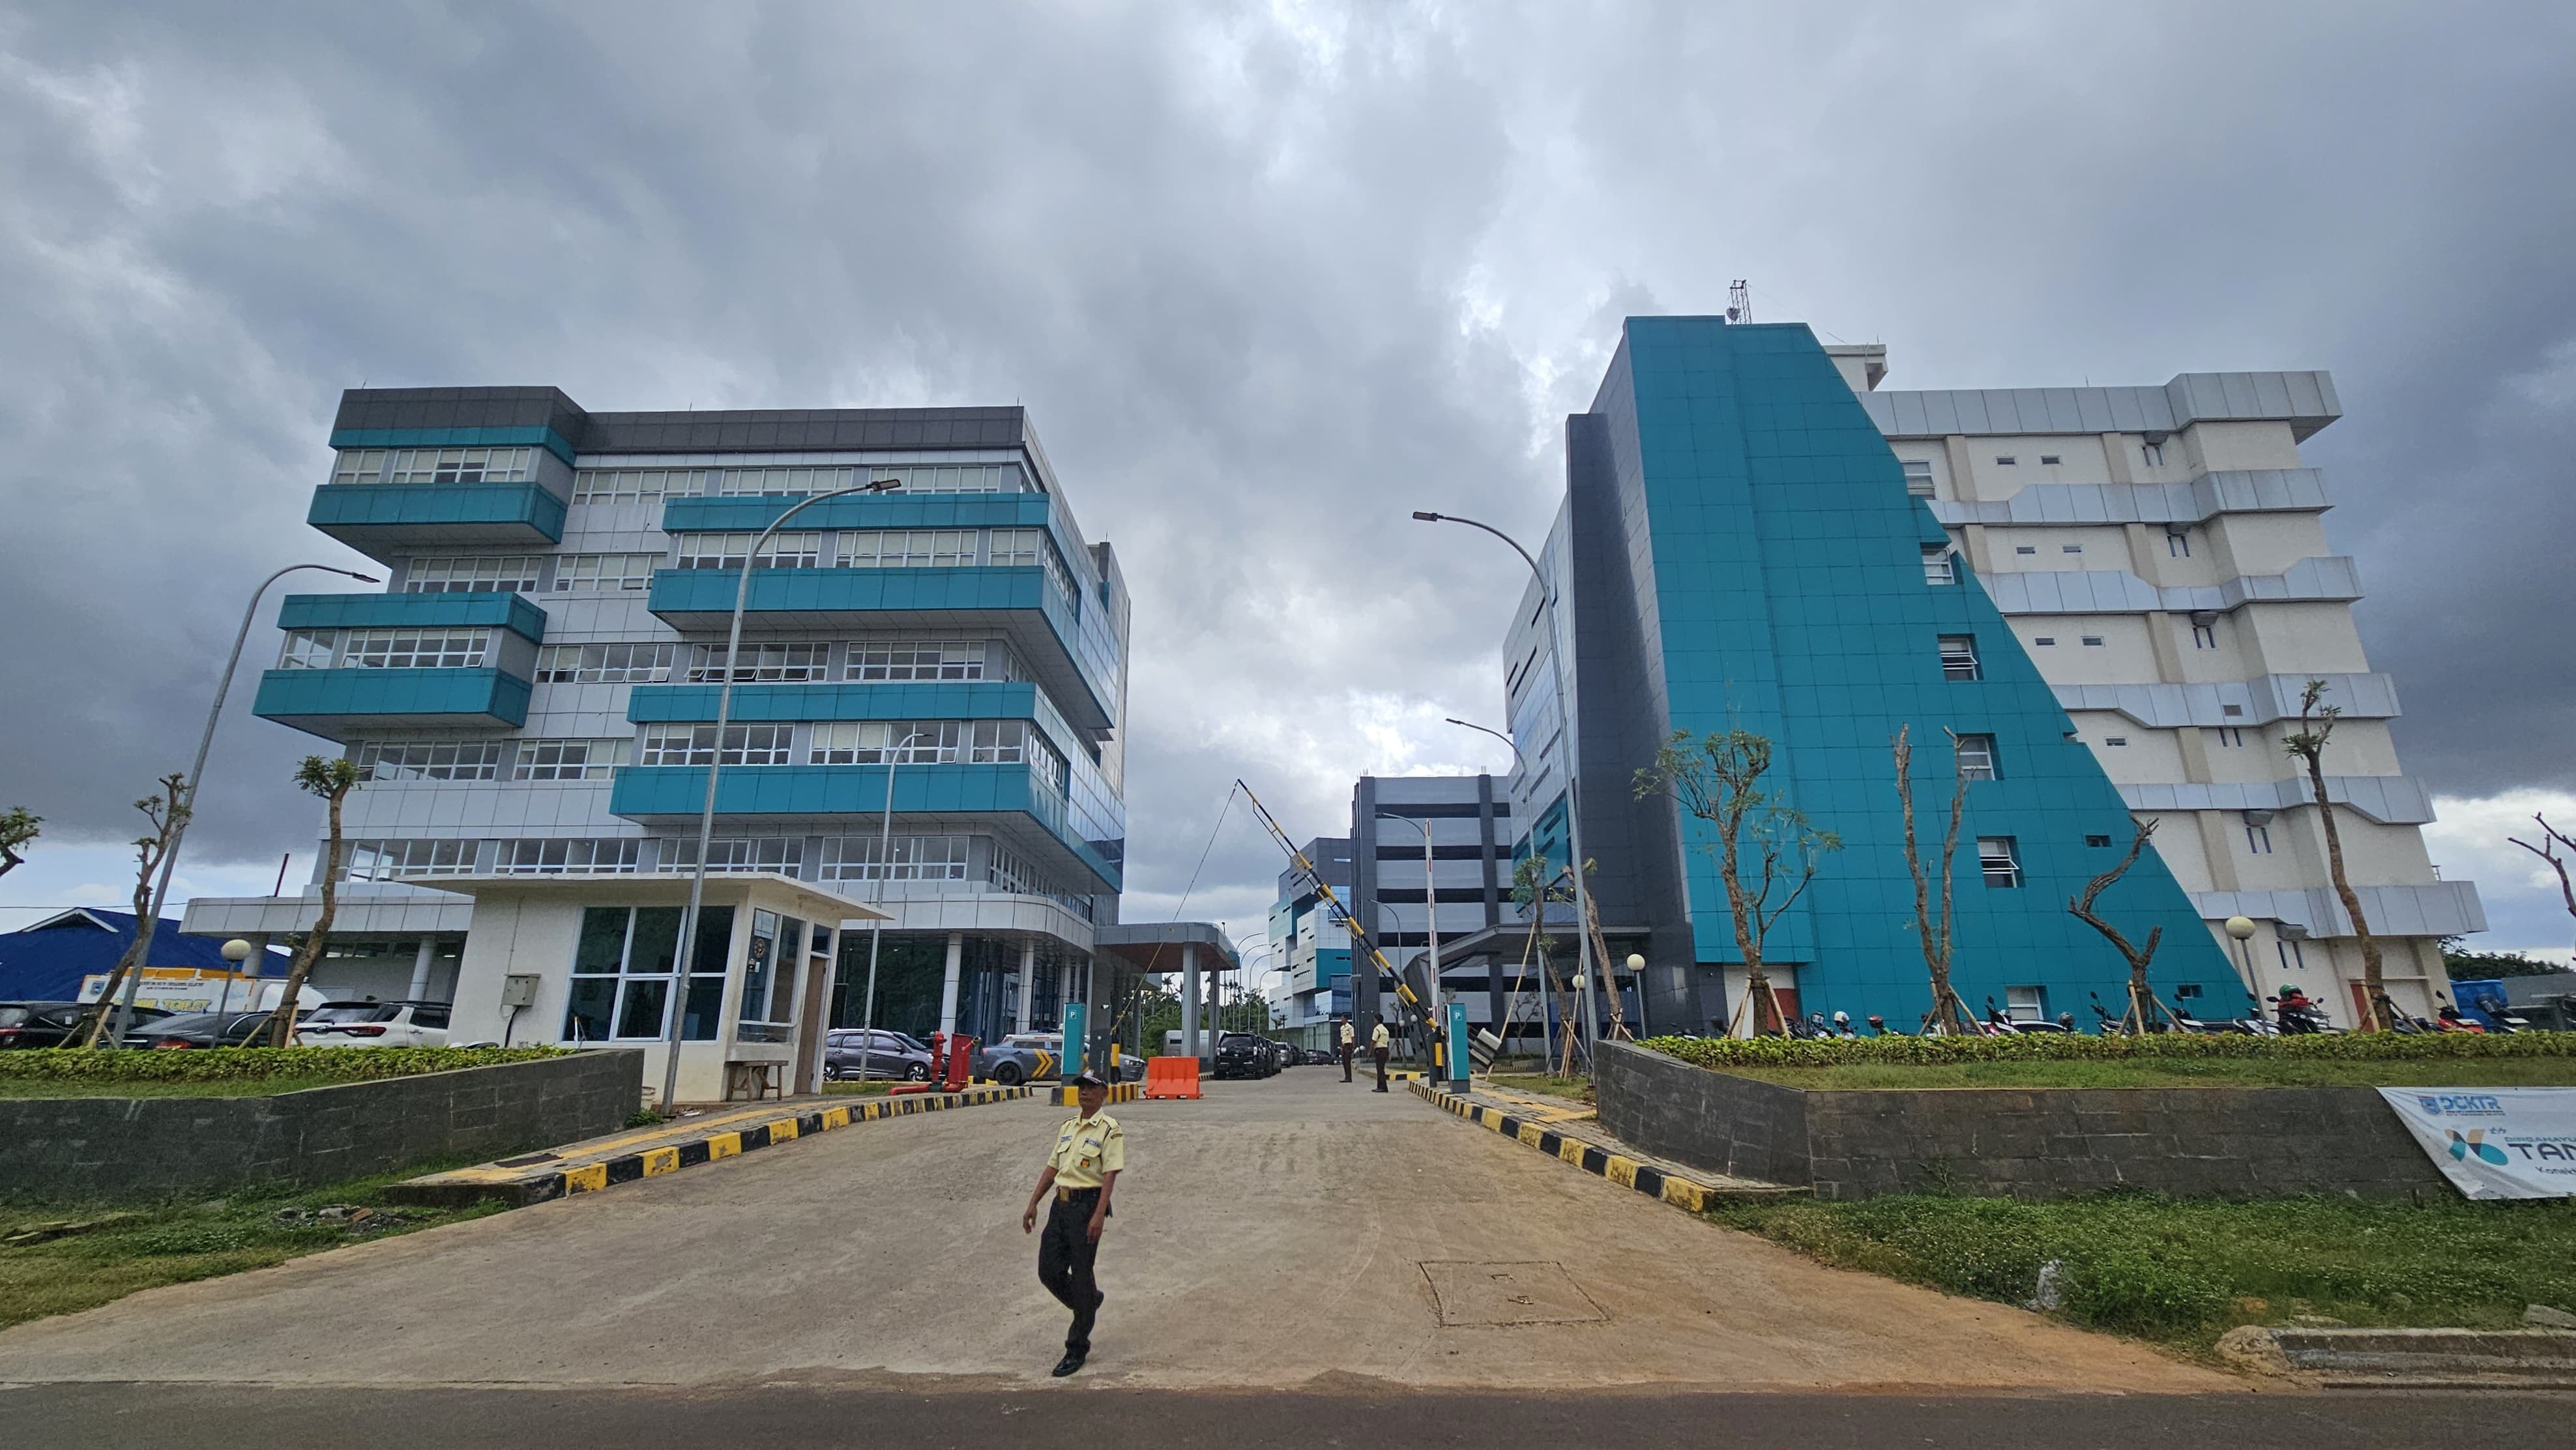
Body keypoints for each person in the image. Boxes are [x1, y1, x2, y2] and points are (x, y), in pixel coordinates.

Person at [1023, 1069, 1123, 1378]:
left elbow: (1110, 1174)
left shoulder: (1109, 1129)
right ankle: (1088, 1303)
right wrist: (1033, 1202)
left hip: (1087, 1207)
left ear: (1103, 1093)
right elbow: (1053, 1166)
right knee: (1048, 1271)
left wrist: (1099, 1215)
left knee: (1081, 1275)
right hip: (1060, 1206)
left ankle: (1076, 1347)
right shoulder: (1068, 1127)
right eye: (1081, 1087)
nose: (1085, 1093)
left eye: (1092, 1088)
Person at [1370, 1015, 1391, 1092]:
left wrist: (1370, 1051)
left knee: (1380, 1070)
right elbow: (1387, 1043)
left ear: (1377, 1020)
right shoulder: (1385, 1030)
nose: (1374, 1021)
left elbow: (1373, 1041)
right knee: (1381, 1069)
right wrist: (1388, 1055)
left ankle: (1382, 1087)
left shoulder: (1377, 1029)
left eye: (1374, 1020)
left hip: (1379, 1051)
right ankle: (1382, 1086)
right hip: (1385, 1050)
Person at [1337, 1015, 1356, 1082]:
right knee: (1344, 1062)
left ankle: (1349, 1078)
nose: (1341, 1020)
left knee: (1348, 1062)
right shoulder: (1342, 1028)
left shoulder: (1350, 1027)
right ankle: (1346, 1077)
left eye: (1342, 1019)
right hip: (1344, 1045)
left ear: (1346, 1019)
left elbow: (1353, 1037)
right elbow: (1342, 1038)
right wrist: (1341, 1047)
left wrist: (1353, 1047)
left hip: (1349, 1046)